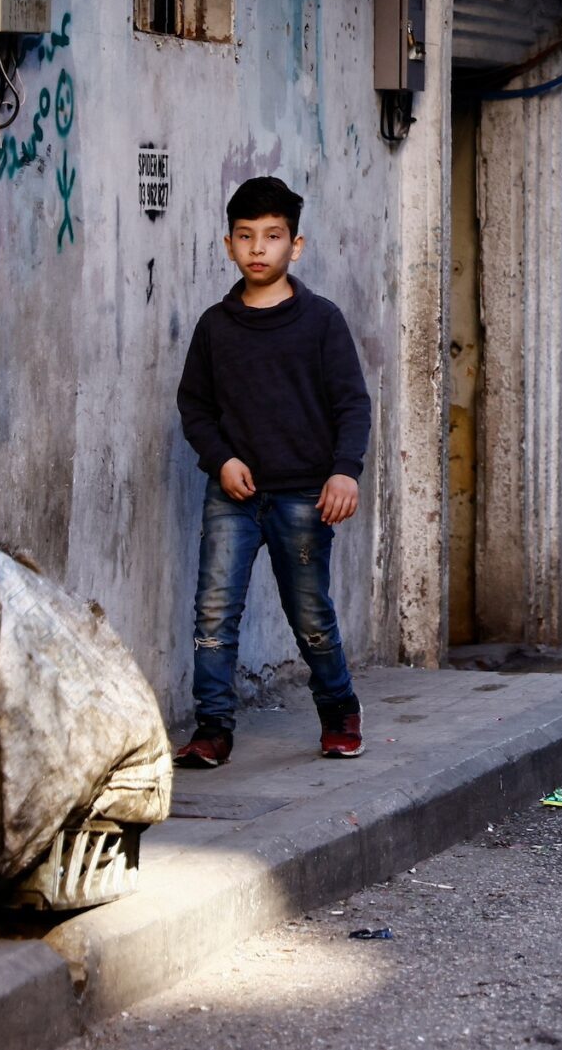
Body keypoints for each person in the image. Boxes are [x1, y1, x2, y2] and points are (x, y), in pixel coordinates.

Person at [174, 176, 373, 768]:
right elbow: (196, 408)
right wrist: (222, 460)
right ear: (229, 245)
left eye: (272, 236)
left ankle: (339, 711)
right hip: (234, 493)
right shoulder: (216, 326)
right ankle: (212, 728)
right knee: (214, 611)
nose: (258, 248)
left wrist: (345, 472)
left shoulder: (321, 321)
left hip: (306, 497)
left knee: (310, 614)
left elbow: (352, 404)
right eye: (246, 236)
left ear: (296, 245)